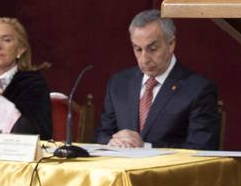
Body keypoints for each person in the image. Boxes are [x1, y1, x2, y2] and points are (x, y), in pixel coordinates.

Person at [95, 10, 221, 150]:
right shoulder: (118, 83)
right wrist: (112, 143)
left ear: (171, 44)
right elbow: (103, 134)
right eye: (138, 49)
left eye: (152, 49)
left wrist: (146, 147)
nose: (144, 59)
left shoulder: (198, 89)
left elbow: (201, 148)